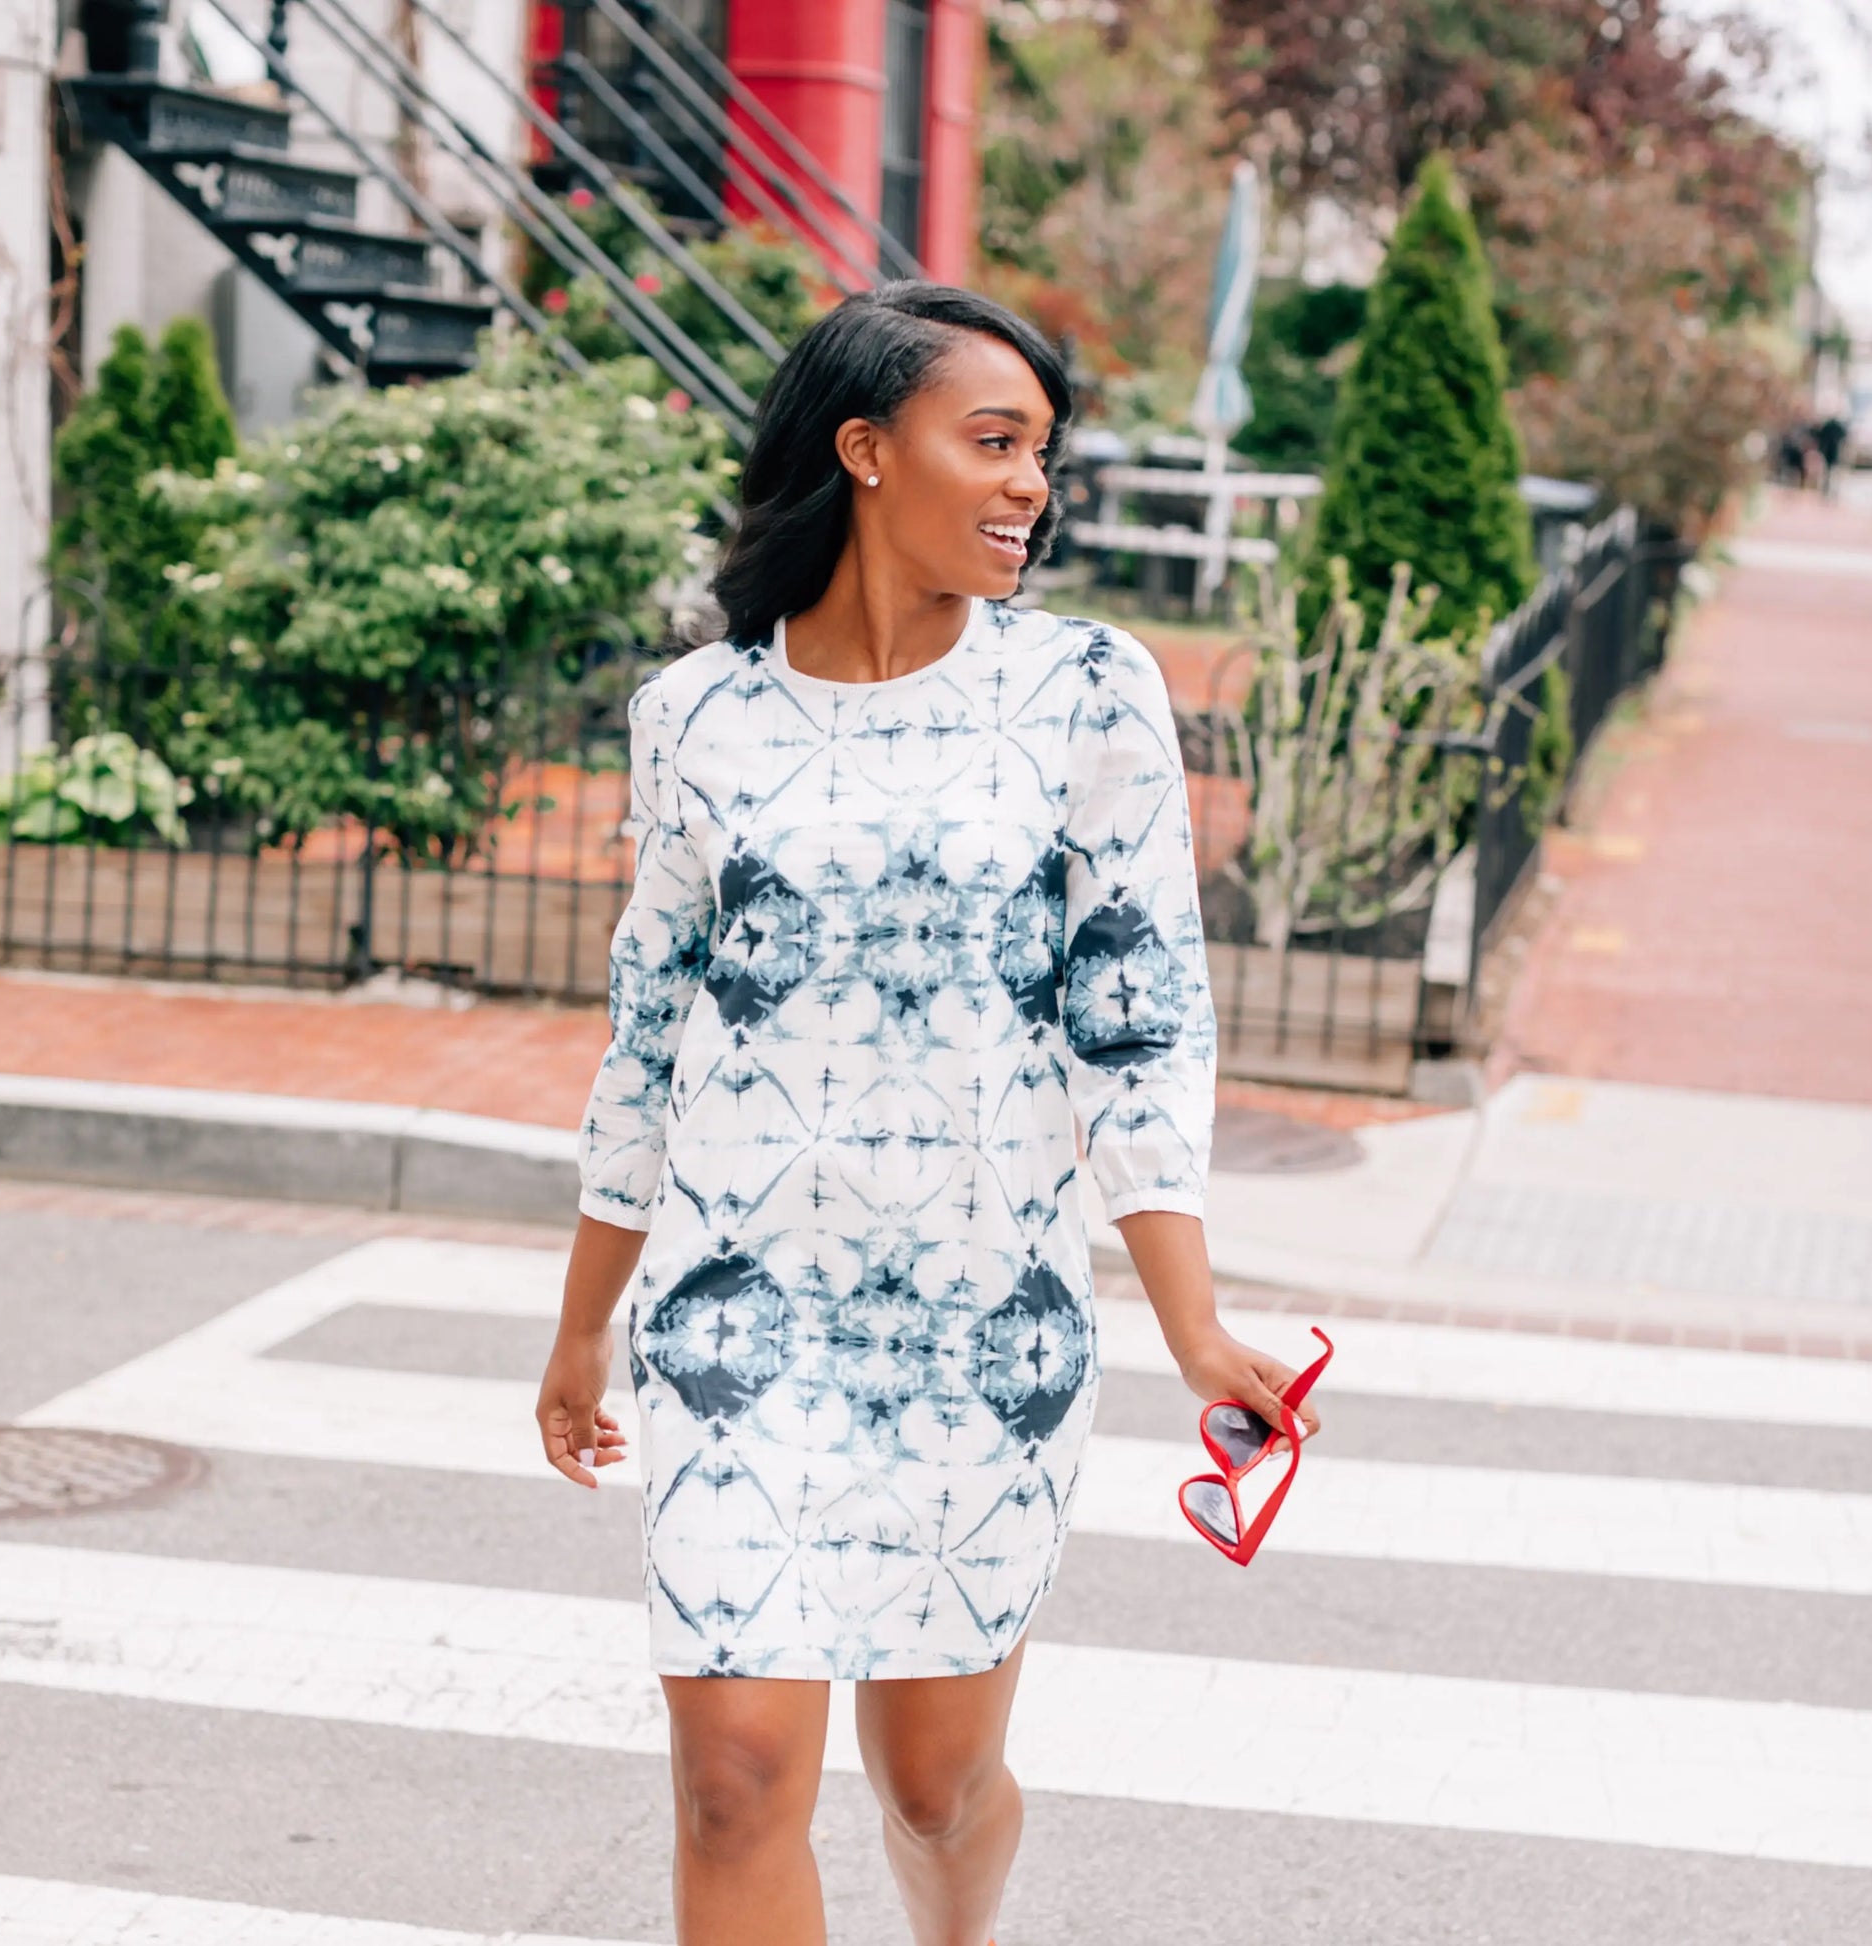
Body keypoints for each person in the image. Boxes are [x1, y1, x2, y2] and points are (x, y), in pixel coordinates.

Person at [535, 283, 1323, 1946]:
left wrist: (1192, 1326)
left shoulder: (1087, 693)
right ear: (864, 450)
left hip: (984, 1326)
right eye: (993, 442)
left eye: (1042, 451)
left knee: (933, 1787)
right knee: (735, 1774)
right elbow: (647, 1033)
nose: (1032, 484)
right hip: (738, 1318)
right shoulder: (696, 718)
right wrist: (581, 1325)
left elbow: (1136, 1010)